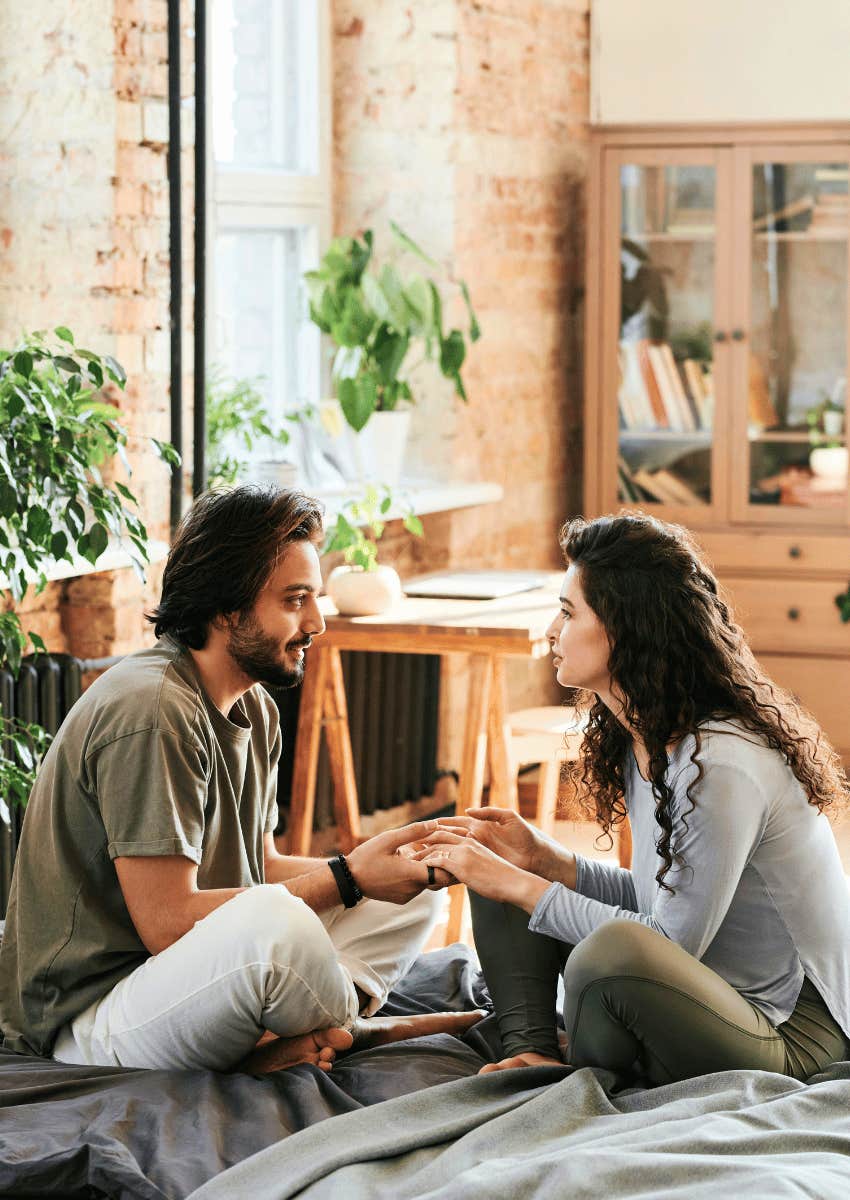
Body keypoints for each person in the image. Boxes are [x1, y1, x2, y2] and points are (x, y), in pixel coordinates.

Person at [0, 486, 478, 1073]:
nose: (317, 623)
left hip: (179, 982)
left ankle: (310, 1035)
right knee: (277, 922)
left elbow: (259, 867)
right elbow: (169, 922)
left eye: (315, 598)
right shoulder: (153, 710)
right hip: (91, 1018)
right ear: (227, 608)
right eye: (295, 600)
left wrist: (381, 864)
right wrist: (347, 877)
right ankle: (356, 1030)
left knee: (405, 900)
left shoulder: (254, 709)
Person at [417, 513, 850, 1085]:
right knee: (504, 863)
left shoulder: (717, 763)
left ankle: (579, 1056)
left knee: (600, 943)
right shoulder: (646, 736)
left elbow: (665, 943)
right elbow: (663, 905)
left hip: (788, 1033)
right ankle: (532, 1052)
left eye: (569, 613)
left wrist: (524, 884)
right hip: (709, 998)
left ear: (626, 629)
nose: (551, 630)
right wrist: (543, 863)